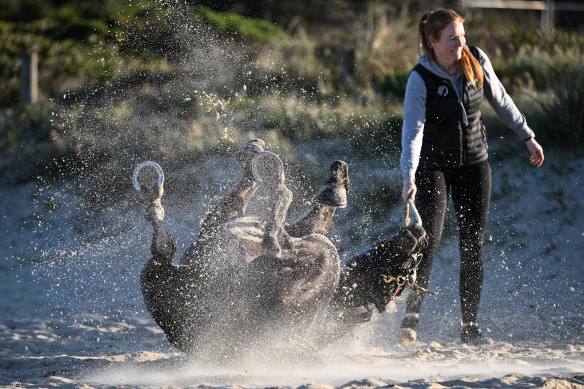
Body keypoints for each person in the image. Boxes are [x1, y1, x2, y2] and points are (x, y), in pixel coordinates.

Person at [399, 9, 544, 345]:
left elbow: (502, 101)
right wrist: (408, 175)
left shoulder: (476, 59)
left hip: (474, 163)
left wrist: (527, 135)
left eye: (462, 37)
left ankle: (469, 326)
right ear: (433, 42)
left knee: (472, 244)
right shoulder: (420, 78)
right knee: (429, 241)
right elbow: (413, 131)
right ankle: (411, 318)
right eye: (452, 39)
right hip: (432, 166)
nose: (460, 45)